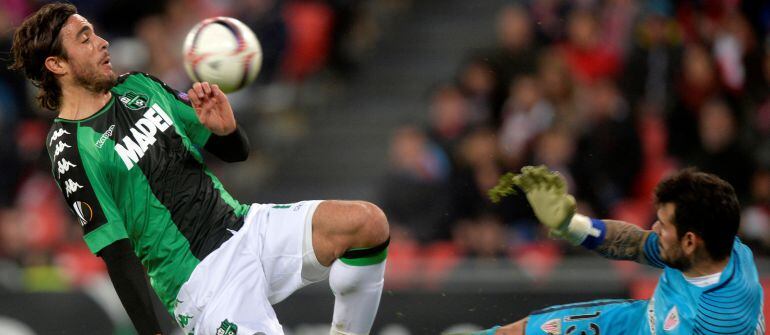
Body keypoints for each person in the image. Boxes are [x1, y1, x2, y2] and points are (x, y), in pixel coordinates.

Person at [9, 3, 389, 335]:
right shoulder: (70, 148)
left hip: (246, 227)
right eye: (85, 38)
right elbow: (116, 252)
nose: (102, 42)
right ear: (56, 64)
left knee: (367, 225)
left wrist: (227, 130)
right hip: (201, 281)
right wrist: (151, 331)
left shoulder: (139, 86)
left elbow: (234, 152)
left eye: (95, 32)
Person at [471, 166, 764, 335]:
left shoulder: (716, 321)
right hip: (634, 323)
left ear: (689, 241)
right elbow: (634, 243)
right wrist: (569, 224)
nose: (654, 229)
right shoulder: (719, 247)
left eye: (662, 225)